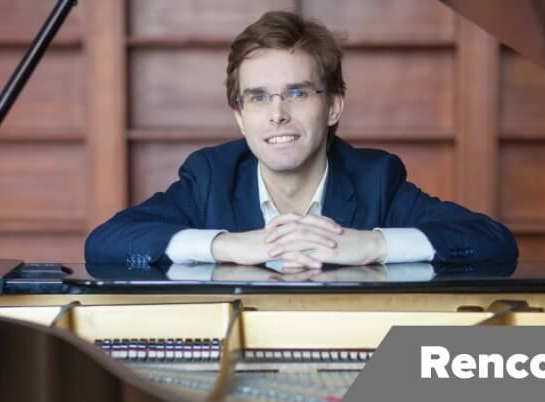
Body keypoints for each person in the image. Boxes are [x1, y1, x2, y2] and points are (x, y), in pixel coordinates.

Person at [85, 11, 517, 272]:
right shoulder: (210, 177)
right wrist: (226, 245)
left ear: (333, 107)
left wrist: (374, 244)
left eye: (297, 93)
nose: (277, 114)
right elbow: (106, 242)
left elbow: (492, 241)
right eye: (258, 97)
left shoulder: (375, 178)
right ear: (239, 116)